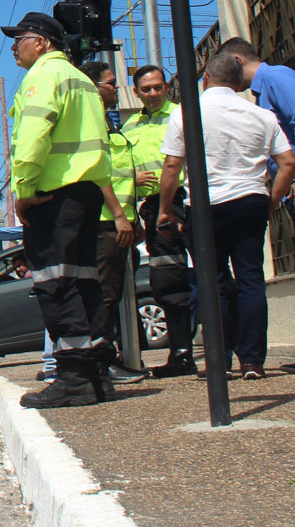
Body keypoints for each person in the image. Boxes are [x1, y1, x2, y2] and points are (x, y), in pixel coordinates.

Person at [157, 52, 295, 380]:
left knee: (213, 281)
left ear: (205, 78)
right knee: (250, 279)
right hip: (250, 200)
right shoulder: (260, 114)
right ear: (237, 83)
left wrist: (165, 209)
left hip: (206, 204)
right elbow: (288, 162)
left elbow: (173, 165)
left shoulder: (186, 113)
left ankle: (220, 360)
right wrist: (272, 200)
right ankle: (252, 360)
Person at [2, 12, 115, 409]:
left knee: (56, 284)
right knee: (86, 282)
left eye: (20, 39)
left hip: (53, 196)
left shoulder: (42, 77)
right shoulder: (83, 81)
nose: (14, 46)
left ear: (43, 42)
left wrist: (25, 192)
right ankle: (98, 374)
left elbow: (33, 138)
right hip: (87, 193)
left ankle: (72, 378)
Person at [83, 60, 150, 383]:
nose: (116, 88)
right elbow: (100, 174)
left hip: (120, 222)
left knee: (113, 293)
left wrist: (131, 217)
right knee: (105, 296)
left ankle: (107, 361)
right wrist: (121, 216)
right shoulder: (92, 120)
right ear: (94, 87)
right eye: (110, 83)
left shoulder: (108, 122)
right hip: (105, 222)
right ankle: (101, 364)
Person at [125, 66, 192, 377]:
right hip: (153, 209)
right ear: (136, 91)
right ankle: (181, 354)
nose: (152, 93)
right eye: (145, 89)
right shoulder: (131, 125)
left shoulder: (181, 114)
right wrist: (131, 178)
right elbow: (122, 168)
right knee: (167, 282)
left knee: (215, 276)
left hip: (187, 201)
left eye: (157, 87)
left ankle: (232, 353)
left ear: (167, 87)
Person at [216, 37, 295, 148]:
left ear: (237, 61)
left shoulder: (275, 76)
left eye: (225, 69)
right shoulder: (262, 90)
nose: (225, 77)